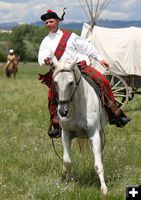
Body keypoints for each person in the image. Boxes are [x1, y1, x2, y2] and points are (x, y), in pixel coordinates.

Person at [38, 9, 131, 138]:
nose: (49, 24)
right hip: (59, 72)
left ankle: (114, 114)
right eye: (46, 22)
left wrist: (100, 58)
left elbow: (86, 47)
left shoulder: (70, 36)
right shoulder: (45, 41)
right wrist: (45, 61)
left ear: (58, 21)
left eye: (51, 21)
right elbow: (42, 57)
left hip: (78, 67)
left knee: (102, 81)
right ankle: (56, 124)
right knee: (51, 96)